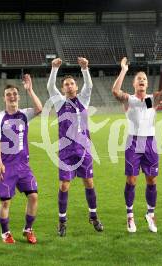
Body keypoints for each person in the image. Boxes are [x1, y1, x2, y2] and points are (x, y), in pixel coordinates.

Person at [112, 57, 162, 233]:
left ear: (147, 84)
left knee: (151, 179)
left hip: (150, 142)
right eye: (139, 78)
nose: (142, 80)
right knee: (132, 180)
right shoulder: (129, 99)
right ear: (134, 83)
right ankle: (130, 216)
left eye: (144, 79)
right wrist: (123, 70)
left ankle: (150, 214)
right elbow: (115, 91)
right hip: (133, 142)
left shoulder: (152, 99)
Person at [47, 57, 103, 237]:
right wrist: (54, 69)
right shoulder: (59, 103)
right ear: (63, 89)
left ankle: (93, 216)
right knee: (64, 185)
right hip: (66, 152)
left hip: (84, 149)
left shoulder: (83, 100)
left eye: (72, 83)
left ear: (76, 87)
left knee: (89, 182)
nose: (70, 86)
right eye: (66, 84)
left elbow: (90, 86)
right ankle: (62, 221)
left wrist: (85, 68)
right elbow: (50, 87)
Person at [0, 75, 42, 244]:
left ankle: (28, 229)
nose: (12, 96)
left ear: (18, 97)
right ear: (4, 98)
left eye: (14, 93)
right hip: (7, 166)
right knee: (6, 202)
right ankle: (5, 233)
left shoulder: (24, 115)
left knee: (33, 196)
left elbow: (39, 109)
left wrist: (30, 90)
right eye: (8, 94)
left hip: (23, 165)